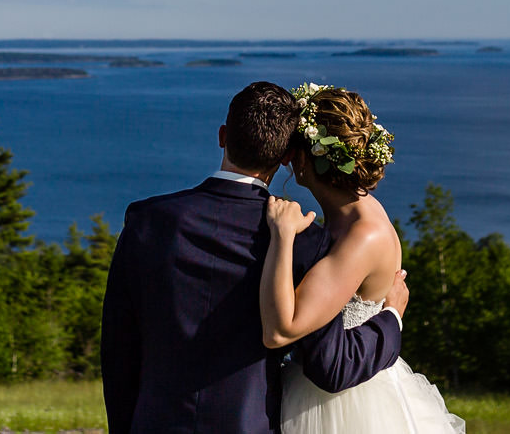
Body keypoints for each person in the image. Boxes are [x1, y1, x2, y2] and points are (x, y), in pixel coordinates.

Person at [102, 81, 411, 434]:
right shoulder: (305, 242)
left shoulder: (146, 220)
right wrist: (391, 318)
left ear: (222, 136)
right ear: (284, 157)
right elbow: (330, 361)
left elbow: (119, 348)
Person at [261, 84, 463, 434]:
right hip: (336, 383)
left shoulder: (362, 235)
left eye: (292, 149)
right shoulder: (350, 212)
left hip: (344, 406)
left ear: (307, 159)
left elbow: (288, 326)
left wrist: (281, 235)